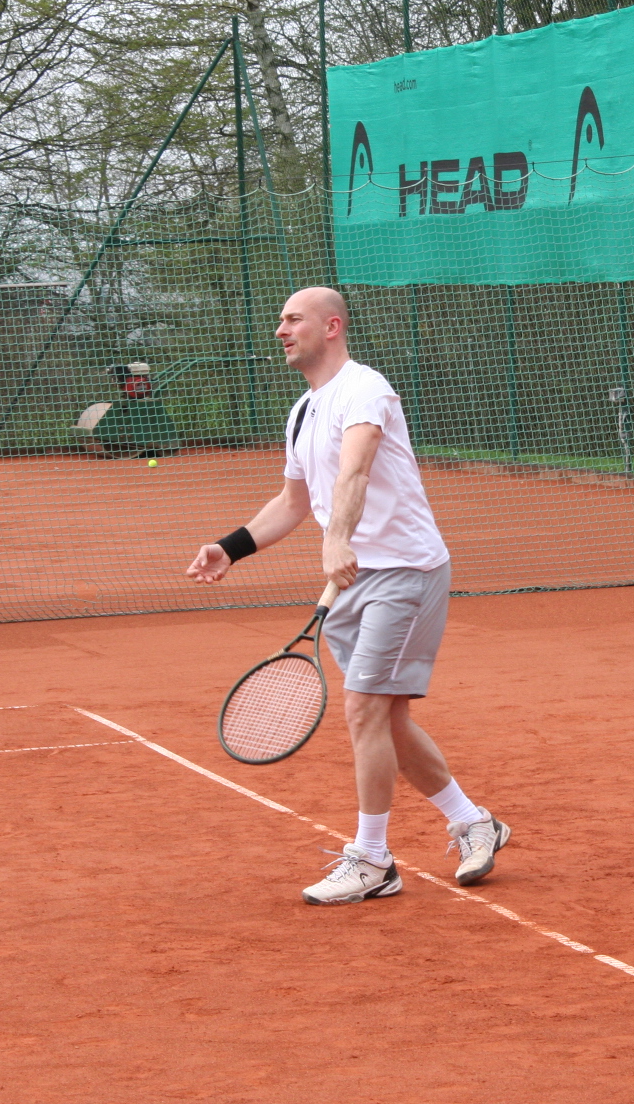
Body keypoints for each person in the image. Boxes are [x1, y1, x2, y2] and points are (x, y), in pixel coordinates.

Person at [186, 286, 510, 906]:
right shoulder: (302, 411)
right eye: (280, 320)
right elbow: (293, 502)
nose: (280, 330)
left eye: (292, 319)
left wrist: (336, 539)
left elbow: (354, 471)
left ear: (331, 326)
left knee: (363, 708)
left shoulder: (365, 389)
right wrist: (231, 547)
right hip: (352, 578)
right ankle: (473, 822)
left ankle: (372, 860)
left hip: (404, 572)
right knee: (386, 717)